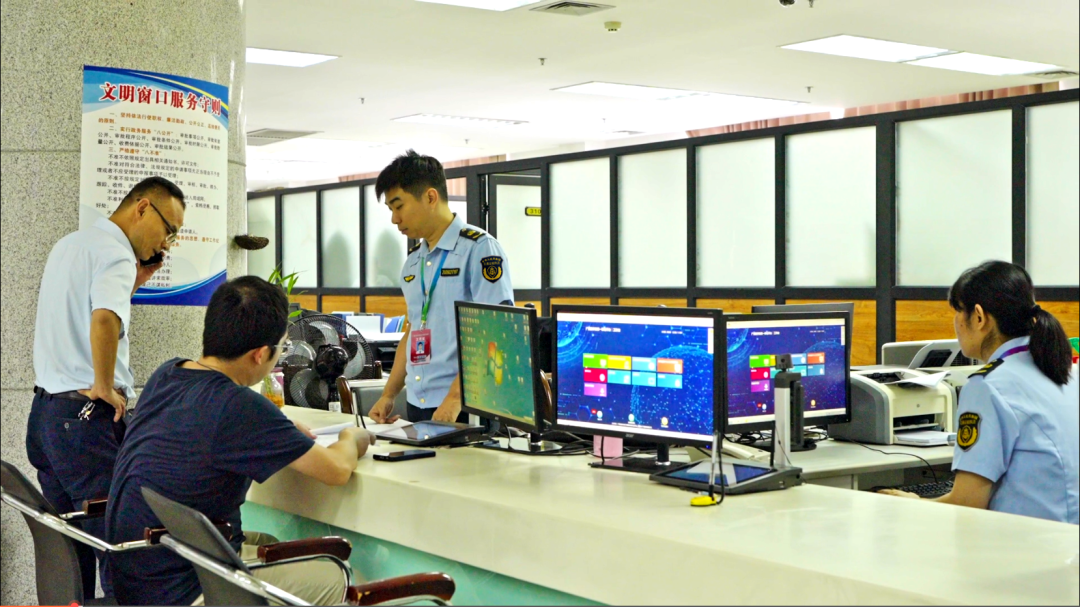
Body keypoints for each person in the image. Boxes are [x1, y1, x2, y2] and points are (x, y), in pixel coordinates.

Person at [104, 276, 376, 605]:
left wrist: (277, 429)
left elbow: (201, 428)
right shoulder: (239, 405)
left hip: (137, 577)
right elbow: (336, 470)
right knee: (338, 576)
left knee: (268, 542)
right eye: (282, 348)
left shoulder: (168, 374)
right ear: (260, 354)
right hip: (186, 589)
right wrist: (352, 436)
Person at [26, 176, 185, 597]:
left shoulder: (71, 244)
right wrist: (103, 384)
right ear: (142, 208)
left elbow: (83, 313)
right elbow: (103, 319)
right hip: (84, 425)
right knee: (121, 545)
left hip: (45, 417)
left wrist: (135, 282)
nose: (167, 243)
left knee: (69, 545)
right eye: (169, 229)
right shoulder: (116, 253)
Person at [880, 261, 1078, 525]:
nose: (955, 322)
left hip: (1027, 542)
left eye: (957, 311)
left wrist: (911, 503)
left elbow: (967, 504)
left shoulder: (988, 385)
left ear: (979, 317)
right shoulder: (1067, 370)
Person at [368, 151, 515, 424]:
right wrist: (389, 394)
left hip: (466, 406)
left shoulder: (479, 249)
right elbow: (413, 330)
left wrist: (455, 398)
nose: (394, 219)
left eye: (399, 206)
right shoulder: (413, 262)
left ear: (430, 197)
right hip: (419, 403)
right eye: (390, 210)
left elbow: (496, 331)